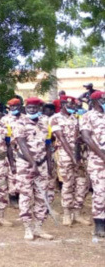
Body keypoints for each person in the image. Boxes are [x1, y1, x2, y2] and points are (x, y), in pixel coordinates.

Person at [13, 97, 54, 240]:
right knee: (26, 195)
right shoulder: (19, 122)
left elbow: (48, 144)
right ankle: (27, 228)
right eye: (29, 108)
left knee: (42, 196)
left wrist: (49, 165)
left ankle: (38, 227)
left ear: (39, 109)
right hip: (25, 164)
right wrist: (33, 163)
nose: (32, 110)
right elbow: (22, 144)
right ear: (25, 108)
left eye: (34, 108)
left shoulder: (44, 121)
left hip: (42, 163)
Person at [50, 96, 90, 227]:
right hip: (65, 155)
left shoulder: (75, 118)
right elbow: (61, 138)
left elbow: (80, 137)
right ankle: (67, 213)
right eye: (71, 105)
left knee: (82, 184)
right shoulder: (55, 118)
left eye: (74, 105)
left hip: (80, 155)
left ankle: (77, 213)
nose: (73, 107)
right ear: (63, 104)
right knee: (68, 183)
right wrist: (73, 157)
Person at [79, 90, 105, 237]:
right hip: (98, 160)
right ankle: (99, 224)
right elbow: (87, 139)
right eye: (102, 100)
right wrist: (103, 156)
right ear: (94, 102)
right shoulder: (87, 116)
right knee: (100, 192)